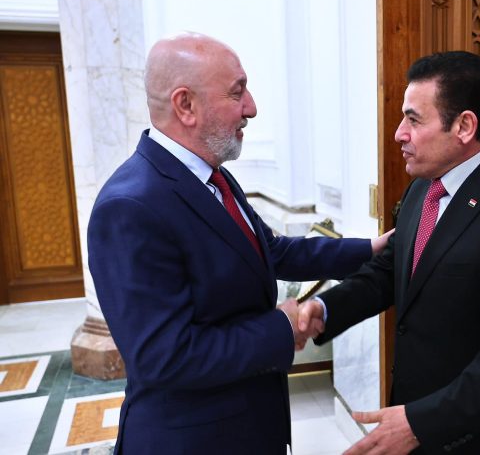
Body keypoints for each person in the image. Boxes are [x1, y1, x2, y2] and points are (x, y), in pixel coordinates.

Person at [87, 32, 388, 454]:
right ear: (185, 105)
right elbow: (164, 357)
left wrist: (372, 249)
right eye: (237, 92)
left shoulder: (213, 177)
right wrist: (281, 328)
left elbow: (272, 251)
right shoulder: (130, 207)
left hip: (247, 426)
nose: (252, 107)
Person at [298, 51, 480, 454]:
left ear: (464, 126)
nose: (399, 134)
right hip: (418, 418)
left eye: (414, 119)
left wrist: (422, 423)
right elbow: (391, 271)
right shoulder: (423, 188)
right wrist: (326, 309)